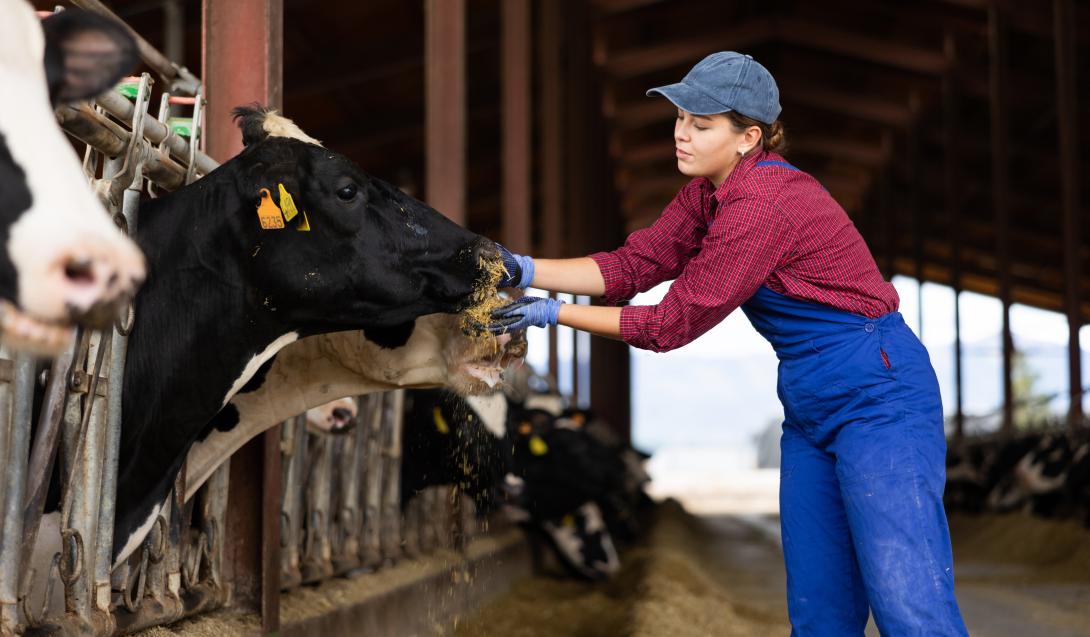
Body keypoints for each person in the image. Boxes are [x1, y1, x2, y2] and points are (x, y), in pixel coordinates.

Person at [488, 51, 968, 636]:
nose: (680, 134)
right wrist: (525, 269)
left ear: (749, 137)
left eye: (701, 123)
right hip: (809, 401)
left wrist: (556, 313)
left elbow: (670, 324)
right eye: (680, 117)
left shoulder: (762, 204)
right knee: (821, 609)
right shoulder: (708, 195)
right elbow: (632, 266)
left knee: (906, 599)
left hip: (878, 393)